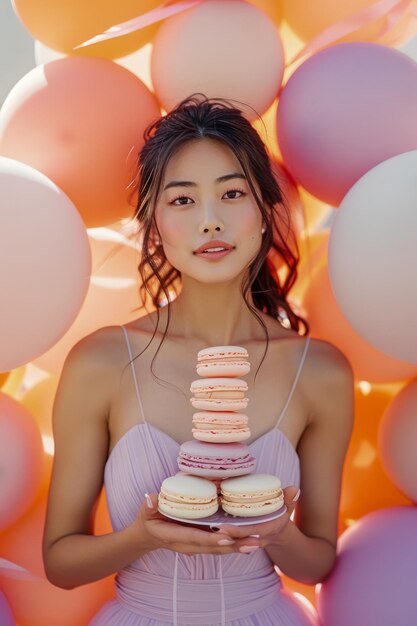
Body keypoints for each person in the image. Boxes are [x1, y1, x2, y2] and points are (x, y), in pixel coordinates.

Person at [42, 94, 354, 625]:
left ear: (263, 210)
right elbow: (60, 562)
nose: (210, 221)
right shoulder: (101, 362)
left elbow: (319, 562)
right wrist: (141, 538)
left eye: (232, 193)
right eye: (182, 200)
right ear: (155, 225)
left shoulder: (320, 372)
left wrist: (277, 531)